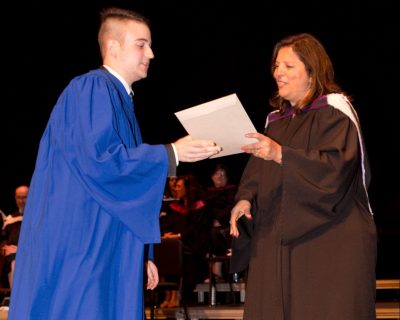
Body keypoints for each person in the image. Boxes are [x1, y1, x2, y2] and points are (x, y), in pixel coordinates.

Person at [8, 7, 221, 320]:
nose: (151, 52)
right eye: (141, 44)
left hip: (106, 241)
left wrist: (142, 253)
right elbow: (103, 163)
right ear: (112, 47)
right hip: (83, 243)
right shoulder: (92, 89)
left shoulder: (119, 99)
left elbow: (126, 188)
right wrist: (171, 153)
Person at [229, 33, 377, 320]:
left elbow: (336, 170)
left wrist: (282, 155)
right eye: (275, 66)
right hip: (277, 238)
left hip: (330, 239)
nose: (278, 73)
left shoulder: (334, 110)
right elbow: (258, 172)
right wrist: (245, 199)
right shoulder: (276, 121)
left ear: (312, 71)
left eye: (288, 66)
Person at [162, 174, 211, 305]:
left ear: (188, 189)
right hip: (179, 245)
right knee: (167, 250)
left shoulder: (199, 206)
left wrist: (179, 236)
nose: (176, 189)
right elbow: (169, 224)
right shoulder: (175, 206)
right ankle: (170, 294)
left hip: (194, 248)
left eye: (179, 186)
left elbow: (195, 229)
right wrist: (167, 234)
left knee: (181, 254)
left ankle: (179, 296)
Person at [204, 164, 237, 283]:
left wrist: (219, 219)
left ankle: (217, 271)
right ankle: (211, 271)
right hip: (210, 224)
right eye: (217, 174)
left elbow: (231, 207)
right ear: (212, 176)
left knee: (215, 233)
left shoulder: (231, 191)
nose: (220, 177)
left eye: (223, 174)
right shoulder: (207, 192)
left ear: (227, 177)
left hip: (226, 224)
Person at [1, 185, 29, 289]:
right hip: (12, 257)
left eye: (25, 197)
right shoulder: (10, 219)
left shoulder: (38, 218)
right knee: (14, 261)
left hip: (31, 254)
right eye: (19, 197)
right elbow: (3, 239)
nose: (22, 201)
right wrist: (4, 248)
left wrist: (21, 249)